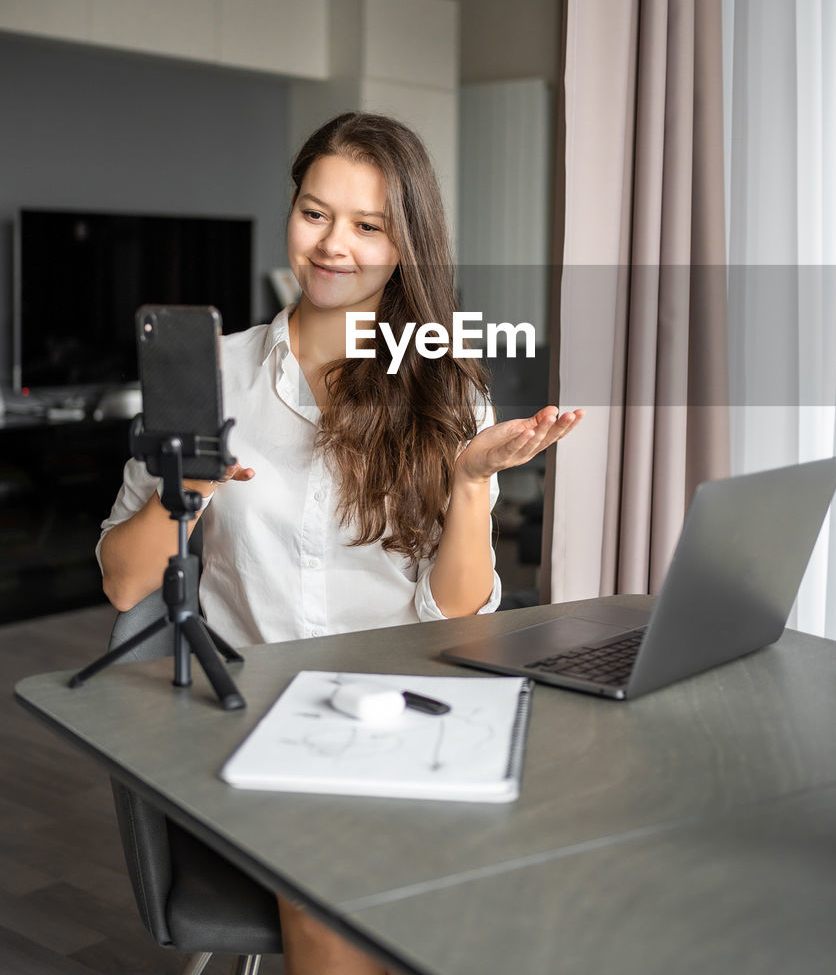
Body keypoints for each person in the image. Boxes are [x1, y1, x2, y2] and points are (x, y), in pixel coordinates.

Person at [98, 111, 583, 975]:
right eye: (315, 213)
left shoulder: (446, 387)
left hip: (407, 709)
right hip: (253, 716)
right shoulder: (210, 370)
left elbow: (461, 621)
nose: (333, 245)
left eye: (368, 226)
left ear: (406, 246)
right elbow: (123, 584)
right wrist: (194, 488)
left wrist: (470, 484)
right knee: (331, 874)